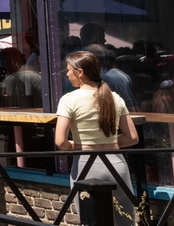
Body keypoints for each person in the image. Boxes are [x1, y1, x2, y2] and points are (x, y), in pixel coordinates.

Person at [55, 50, 139, 226]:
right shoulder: (114, 97)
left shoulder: (68, 100)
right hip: (116, 163)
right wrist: (111, 143)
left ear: (80, 72)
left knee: (90, 220)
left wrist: (76, 146)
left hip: (85, 164)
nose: (67, 74)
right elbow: (132, 138)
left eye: (68, 70)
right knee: (125, 220)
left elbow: (60, 142)